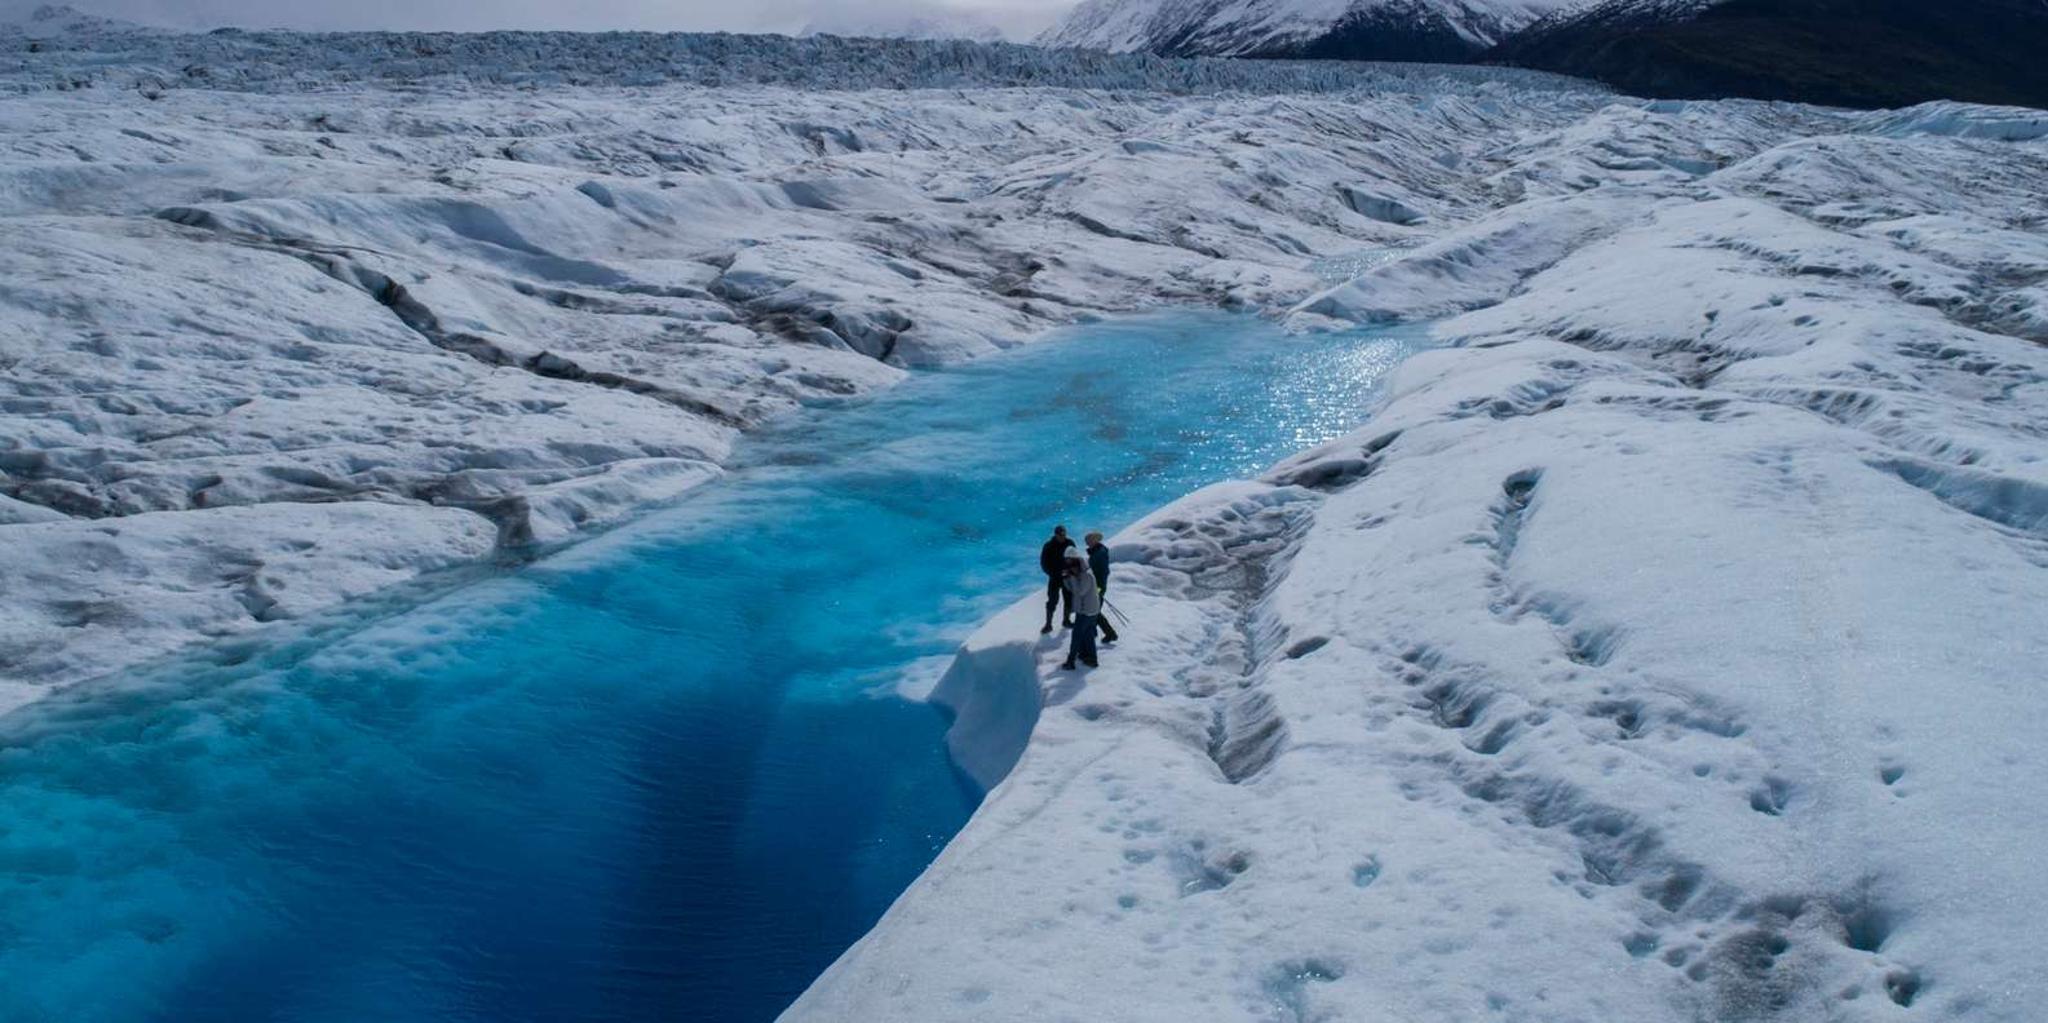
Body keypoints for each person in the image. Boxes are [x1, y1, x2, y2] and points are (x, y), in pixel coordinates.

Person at [1060, 547, 1102, 670]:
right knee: (1087, 635)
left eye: (1069, 560)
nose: (1068, 563)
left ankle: (1071, 661)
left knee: (1077, 635)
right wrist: (1066, 578)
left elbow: (1080, 592)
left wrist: (1072, 577)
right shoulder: (1079, 573)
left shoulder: (1086, 575)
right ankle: (1089, 658)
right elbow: (1071, 589)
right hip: (1085, 610)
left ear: (1076, 560)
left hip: (1087, 611)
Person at [1039, 525, 1076, 634]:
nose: (1063, 537)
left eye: (1064, 535)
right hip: (1054, 578)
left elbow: (1075, 559)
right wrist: (1054, 574)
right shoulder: (1048, 546)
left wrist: (1070, 572)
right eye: (1060, 535)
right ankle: (1048, 624)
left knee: (1068, 599)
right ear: (1055, 535)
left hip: (1067, 577)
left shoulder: (1070, 543)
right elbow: (1044, 564)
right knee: (1052, 600)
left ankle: (1066, 620)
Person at [1085, 531, 1119, 644]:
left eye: (1089, 541)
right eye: (1086, 541)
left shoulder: (1100, 553)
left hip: (1098, 586)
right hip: (1097, 585)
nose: (1087, 543)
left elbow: (1102, 572)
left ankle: (1109, 633)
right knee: (1094, 610)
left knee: (1094, 610)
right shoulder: (1098, 551)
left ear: (1095, 541)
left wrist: (1096, 588)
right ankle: (1107, 633)